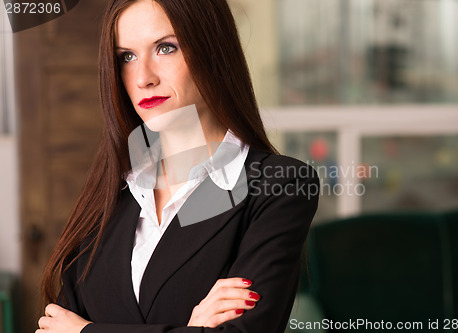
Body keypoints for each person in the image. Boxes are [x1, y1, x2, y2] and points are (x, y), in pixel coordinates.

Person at [37, 0, 319, 332]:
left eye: (165, 48)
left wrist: (86, 330)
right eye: (126, 56)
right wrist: (190, 328)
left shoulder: (278, 185)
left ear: (212, 49)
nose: (143, 77)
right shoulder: (111, 191)